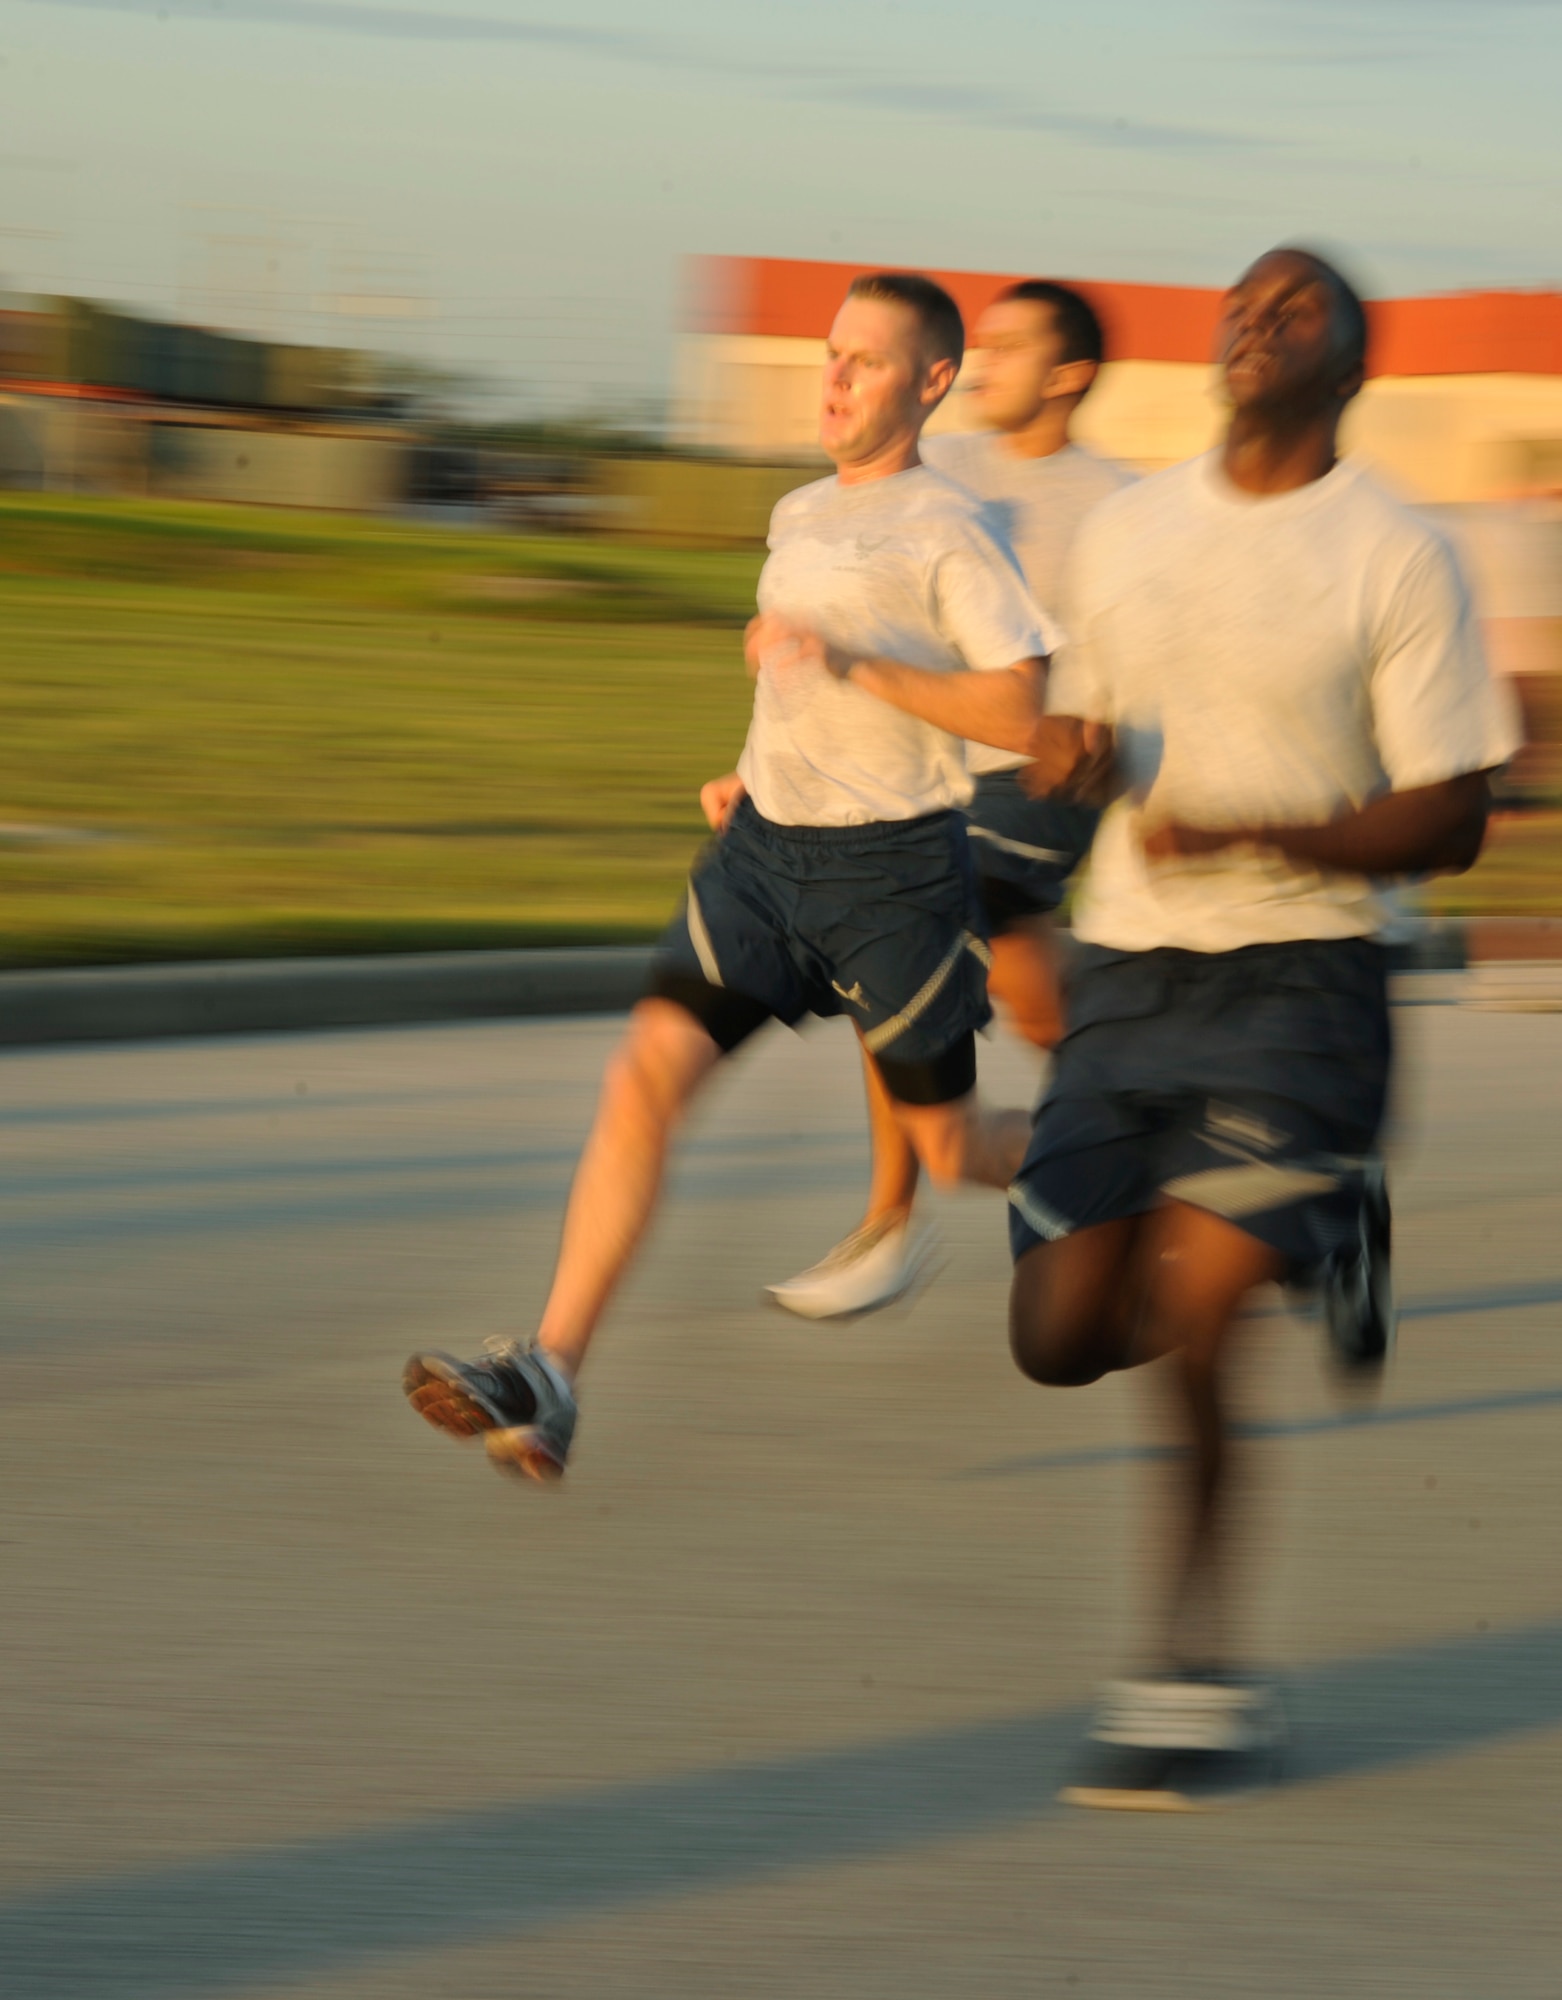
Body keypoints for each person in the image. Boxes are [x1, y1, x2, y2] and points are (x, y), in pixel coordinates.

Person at [1009, 246, 1520, 1807]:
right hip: (1126, 972)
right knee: (1059, 1335)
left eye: (1295, 308)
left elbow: (1451, 816)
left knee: (1203, 1317)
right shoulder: (1126, 530)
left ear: (1350, 365)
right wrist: (1056, 792)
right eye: (1240, 301)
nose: (1253, 320)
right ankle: (1329, 1213)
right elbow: (1072, 729)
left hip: (1302, 981)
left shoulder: (1395, 554)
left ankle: (1189, 1676)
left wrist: (1260, 837)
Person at [404, 271, 1060, 1482]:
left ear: (931, 382)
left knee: (954, 1147)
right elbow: (793, 680)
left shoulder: (950, 529)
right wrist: (749, 771)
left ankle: (1128, 1133)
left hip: (894, 880)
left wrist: (857, 662)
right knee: (642, 1071)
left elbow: (1022, 707)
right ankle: (549, 1374)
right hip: (762, 855)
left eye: (867, 361)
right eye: (828, 353)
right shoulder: (798, 514)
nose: (834, 378)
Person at [766, 279, 1134, 1320]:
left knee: (904, 939)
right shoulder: (936, 469)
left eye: (1013, 347)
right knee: (1035, 999)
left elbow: (1136, 664)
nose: (984, 362)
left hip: (1038, 775)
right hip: (920, 768)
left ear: (1069, 376)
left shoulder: (1116, 501)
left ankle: (892, 1220)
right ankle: (1143, 1130)